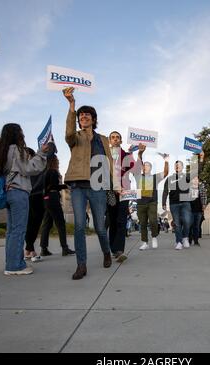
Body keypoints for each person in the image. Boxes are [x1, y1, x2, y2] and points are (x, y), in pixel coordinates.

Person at [63, 87, 113, 280]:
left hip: (98, 186)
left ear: (93, 119)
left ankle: (106, 252)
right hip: (78, 185)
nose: (83, 117)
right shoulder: (75, 137)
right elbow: (68, 133)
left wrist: (114, 185)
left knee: (100, 227)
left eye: (87, 115)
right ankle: (81, 265)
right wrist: (72, 106)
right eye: (81, 115)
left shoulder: (103, 139)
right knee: (79, 226)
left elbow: (109, 162)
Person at [0, 123, 48, 275]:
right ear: (17, 134)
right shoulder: (17, 150)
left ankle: (10, 262)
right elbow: (30, 168)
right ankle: (15, 266)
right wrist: (41, 153)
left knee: (11, 231)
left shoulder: (2, 152)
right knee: (19, 230)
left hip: (9, 193)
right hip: (19, 193)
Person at [108, 131, 146, 261]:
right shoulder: (104, 154)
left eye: (117, 137)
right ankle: (112, 248)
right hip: (109, 191)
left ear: (121, 141)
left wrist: (139, 153)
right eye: (113, 137)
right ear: (109, 140)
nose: (115, 139)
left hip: (124, 191)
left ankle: (119, 250)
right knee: (112, 220)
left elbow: (137, 170)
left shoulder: (126, 155)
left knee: (121, 220)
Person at [24, 144, 57, 263]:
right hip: (31, 195)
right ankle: (29, 249)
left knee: (35, 223)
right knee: (31, 223)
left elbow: (50, 155)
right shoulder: (27, 168)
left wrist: (49, 147)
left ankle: (29, 249)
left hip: (38, 196)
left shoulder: (38, 167)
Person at [40, 155, 75, 257]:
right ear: (54, 162)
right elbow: (53, 186)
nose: (58, 162)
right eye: (57, 161)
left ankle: (43, 248)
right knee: (60, 223)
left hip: (46, 199)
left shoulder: (45, 173)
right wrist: (66, 186)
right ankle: (65, 248)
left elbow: (47, 187)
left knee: (46, 224)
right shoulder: (53, 172)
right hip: (53, 198)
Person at [136, 156, 169, 250]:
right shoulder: (138, 176)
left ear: (150, 168)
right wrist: (140, 153)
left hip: (152, 203)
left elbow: (166, 173)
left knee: (153, 221)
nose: (145, 167)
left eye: (147, 165)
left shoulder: (155, 177)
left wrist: (166, 161)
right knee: (142, 224)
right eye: (144, 166)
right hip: (140, 203)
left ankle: (154, 237)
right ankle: (145, 242)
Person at [162, 161, 192, 250]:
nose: (177, 166)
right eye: (176, 165)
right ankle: (179, 242)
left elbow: (197, 171)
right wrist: (163, 202)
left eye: (179, 165)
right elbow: (165, 191)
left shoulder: (187, 176)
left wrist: (201, 159)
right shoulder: (170, 178)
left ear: (182, 167)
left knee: (187, 221)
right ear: (174, 167)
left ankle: (185, 238)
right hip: (174, 203)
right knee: (177, 224)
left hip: (185, 202)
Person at [188, 176, 207, 246]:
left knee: (197, 226)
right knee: (190, 226)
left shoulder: (201, 187)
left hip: (199, 210)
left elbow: (204, 196)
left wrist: (204, 205)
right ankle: (189, 240)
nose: (195, 180)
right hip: (190, 210)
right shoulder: (188, 188)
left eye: (197, 179)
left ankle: (196, 241)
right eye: (194, 179)